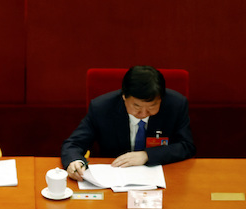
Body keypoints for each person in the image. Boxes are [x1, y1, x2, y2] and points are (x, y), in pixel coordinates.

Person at [62, 65, 196, 181]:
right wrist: (74, 161)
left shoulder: (176, 105)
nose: (143, 113)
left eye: (152, 106)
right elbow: (73, 144)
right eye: (137, 106)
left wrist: (147, 155)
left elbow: (187, 146)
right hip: (113, 178)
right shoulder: (102, 108)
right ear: (124, 97)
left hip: (163, 177)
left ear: (161, 99)